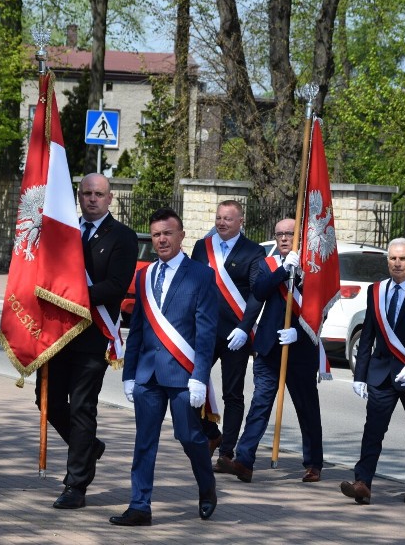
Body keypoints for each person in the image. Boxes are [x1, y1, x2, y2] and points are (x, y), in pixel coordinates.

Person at [110, 208, 219, 526]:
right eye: (156, 234)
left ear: (181, 236)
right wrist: (130, 374)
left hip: (183, 376)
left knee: (190, 437)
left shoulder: (201, 275)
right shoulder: (143, 276)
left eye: (167, 233)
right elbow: (139, 330)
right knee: (144, 441)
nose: (161, 239)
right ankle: (139, 506)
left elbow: (206, 332)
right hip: (147, 375)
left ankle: (207, 485)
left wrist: (200, 376)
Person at [40, 173, 138, 510]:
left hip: (93, 334)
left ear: (110, 198)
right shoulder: (64, 232)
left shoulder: (122, 237)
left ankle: (76, 485)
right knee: (48, 403)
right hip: (57, 334)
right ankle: (89, 447)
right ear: (78, 197)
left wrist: (70, 296)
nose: (92, 199)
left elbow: (115, 284)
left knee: (82, 407)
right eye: (86, 193)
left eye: (99, 194)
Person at [340, 237, 405, 505]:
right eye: (393, 259)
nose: (397, 263)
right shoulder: (376, 291)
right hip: (381, 373)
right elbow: (368, 335)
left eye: (402, 258)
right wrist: (360, 375)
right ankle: (363, 482)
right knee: (372, 429)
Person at [230, 218, 324, 483]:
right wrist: (283, 270)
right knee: (260, 404)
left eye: (289, 234)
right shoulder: (267, 265)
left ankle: (314, 463)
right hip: (269, 347)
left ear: (300, 239)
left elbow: (318, 310)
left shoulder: (313, 269)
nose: (284, 239)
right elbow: (259, 291)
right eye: (279, 234)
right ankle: (244, 459)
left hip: (301, 349)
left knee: (306, 408)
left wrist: (300, 333)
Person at [191, 199, 264, 472]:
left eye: (228, 219)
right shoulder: (202, 247)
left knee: (232, 394)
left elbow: (257, 294)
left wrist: (245, 328)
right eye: (219, 217)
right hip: (204, 332)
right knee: (188, 385)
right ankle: (211, 432)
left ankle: (226, 451)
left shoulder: (253, 251)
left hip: (235, 335)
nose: (222, 223)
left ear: (240, 221)